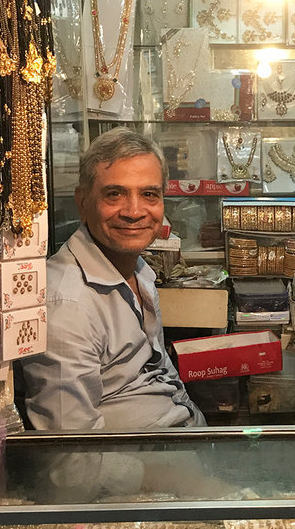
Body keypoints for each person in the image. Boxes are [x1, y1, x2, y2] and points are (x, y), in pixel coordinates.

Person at [22, 127, 204, 432]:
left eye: (149, 194)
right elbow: (73, 456)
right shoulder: (68, 304)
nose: (134, 212)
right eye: (114, 194)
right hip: (142, 470)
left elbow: (161, 375)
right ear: (82, 203)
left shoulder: (137, 271)